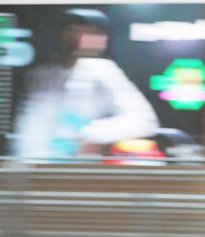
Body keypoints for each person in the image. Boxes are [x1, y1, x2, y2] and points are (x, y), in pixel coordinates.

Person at [13, 9, 158, 159]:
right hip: (35, 170)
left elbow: (144, 119)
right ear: (61, 35)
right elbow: (29, 132)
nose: (80, 38)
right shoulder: (41, 76)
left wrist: (93, 136)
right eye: (73, 30)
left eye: (91, 32)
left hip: (78, 171)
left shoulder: (104, 72)